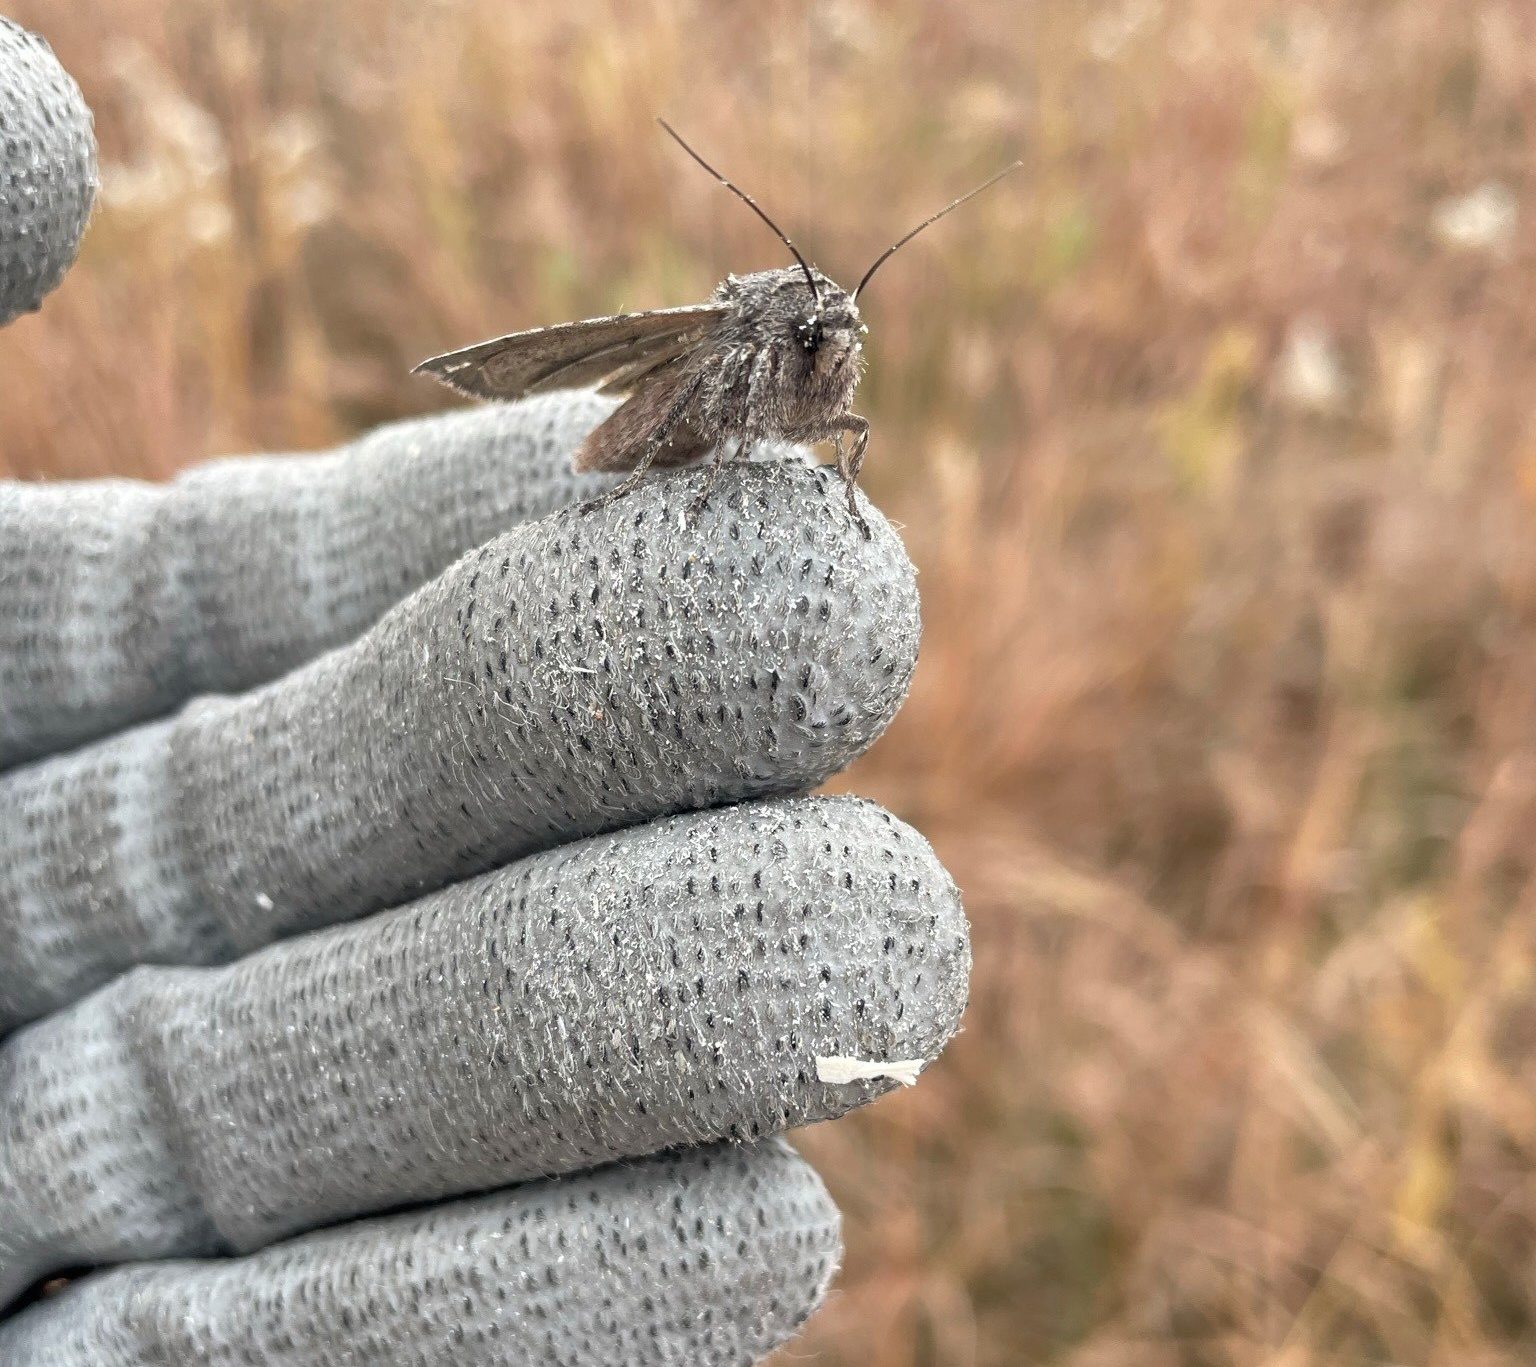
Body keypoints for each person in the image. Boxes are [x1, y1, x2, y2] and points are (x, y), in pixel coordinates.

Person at [0, 16, 969, 1365]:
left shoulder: (823, 374)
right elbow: (691, 386)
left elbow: (833, 413)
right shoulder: (744, 338)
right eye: (820, 327)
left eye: (841, 331)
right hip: (654, 428)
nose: (835, 348)